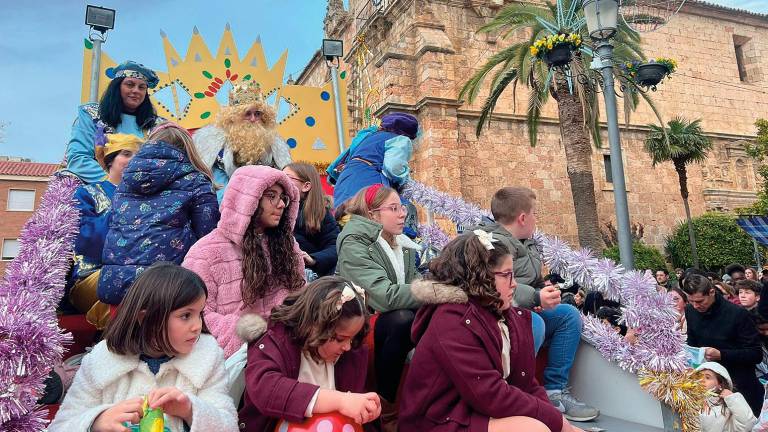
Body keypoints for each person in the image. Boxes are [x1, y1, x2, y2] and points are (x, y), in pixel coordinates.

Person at [400, 231, 585, 432]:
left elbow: (526, 383)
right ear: (481, 277)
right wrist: (558, 423)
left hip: (471, 411)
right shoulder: (451, 322)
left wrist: (561, 423)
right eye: (506, 275)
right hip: (437, 421)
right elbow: (490, 394)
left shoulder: (505, 314)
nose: (514, 283)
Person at [48, 262, 238, 432]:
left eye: (200, 313)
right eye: (186, 315)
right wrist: (95, 422)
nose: (197, 325)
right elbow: (61, 425)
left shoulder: (206, 358)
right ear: (146, 318)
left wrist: (190, 410)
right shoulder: (100, 362)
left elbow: (228, 425)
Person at [476, 186, 599, 421]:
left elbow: (530, 280)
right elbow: (490, 282)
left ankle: (554, 391)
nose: (537, 218)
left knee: (568, 315)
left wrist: (545, 292)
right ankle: (515, 393)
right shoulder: (489, 244)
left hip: (526, 309)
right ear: (522, 217)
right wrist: (535, 297)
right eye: (535, 213)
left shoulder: (528, 243)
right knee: (532, 323)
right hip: (497, 315)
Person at [183, 165, 305, 357]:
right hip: (234, 358)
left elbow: (299, 298)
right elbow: (197, 314)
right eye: (271, 196)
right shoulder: (206, 253)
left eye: (283, 198)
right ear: (247, 200)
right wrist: (249, 336)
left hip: (287, 347)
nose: (281, 204)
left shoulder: (287, 247)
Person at [98, 123, 220, 306]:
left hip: (116, 287)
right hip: (170, 288)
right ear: (188, 149)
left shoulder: (124, 184)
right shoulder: (196, 181)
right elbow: (208, 236)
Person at [237, 276, 380, 430]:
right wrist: (341, 401)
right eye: (340, 339)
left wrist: (367, 411)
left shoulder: (352, 355)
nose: (347, 347)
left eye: (352, 339)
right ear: (314, 327)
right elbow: (267, 390)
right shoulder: (274, 343)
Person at [336, 184, 421, 419]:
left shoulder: (403, 244)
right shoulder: (354, 242)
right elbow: (384, 297)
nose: (402, 213)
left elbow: (416, 284)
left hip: (391, 321)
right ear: (372, 214)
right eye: (393, 208)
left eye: (401, 207)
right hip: (361, 323)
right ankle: (386, 405)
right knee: (402, 319)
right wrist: (433, 291)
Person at [68, 133, 141, 328]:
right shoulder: (87, 193)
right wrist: (123, 206)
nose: (134, 160)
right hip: (91, 275)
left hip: (141, 273)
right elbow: (84, 240)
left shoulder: (149, 198)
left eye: (138, 155)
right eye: (126, 154)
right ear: (110, 160)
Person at [65, 61, 166, 184]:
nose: (136, 91)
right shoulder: (92, 115)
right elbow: (78, 159)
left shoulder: (158, 125)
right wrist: (113, 184)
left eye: (141, 87)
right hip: (97, 191)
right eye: (130, 84)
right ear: (116, 87)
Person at [193, 80, 292, 203]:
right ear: (235, 116)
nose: (253, 119)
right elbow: (214, 184)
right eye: (247, 114)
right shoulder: (214, 141)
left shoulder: (274, 143)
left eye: (257, 114)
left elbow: (281, 177)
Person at [683, 274, 764, 415]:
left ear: (712, 292)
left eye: (700, 301)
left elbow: (755, 354)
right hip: (708, 389)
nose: (696, 306)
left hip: (740, 388)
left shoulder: (737, 314)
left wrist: (721, 354)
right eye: (691, 302)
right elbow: (692, 342)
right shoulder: (690, 311)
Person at [330, 113, 419, 209]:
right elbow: (394, 167)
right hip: (368, 179)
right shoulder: (399, 139)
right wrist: (404, 181)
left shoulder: (368, 136)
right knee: (393, 212)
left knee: (344, 217)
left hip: (345, 178)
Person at [283, 162, 340, 277]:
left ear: (306, 186)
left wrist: (314, 259)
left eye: (286, 178)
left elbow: (336, 246)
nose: (280, 181)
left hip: (309, 274)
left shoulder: (320, 214)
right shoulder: (276, 208)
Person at [696, 362, 757, 432]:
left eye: (707, 377)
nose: (701, 380)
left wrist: (733, 399)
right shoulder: (686, 400)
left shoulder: (726, 411)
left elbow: (747, 424)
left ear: (720, 385)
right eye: (698, 377)